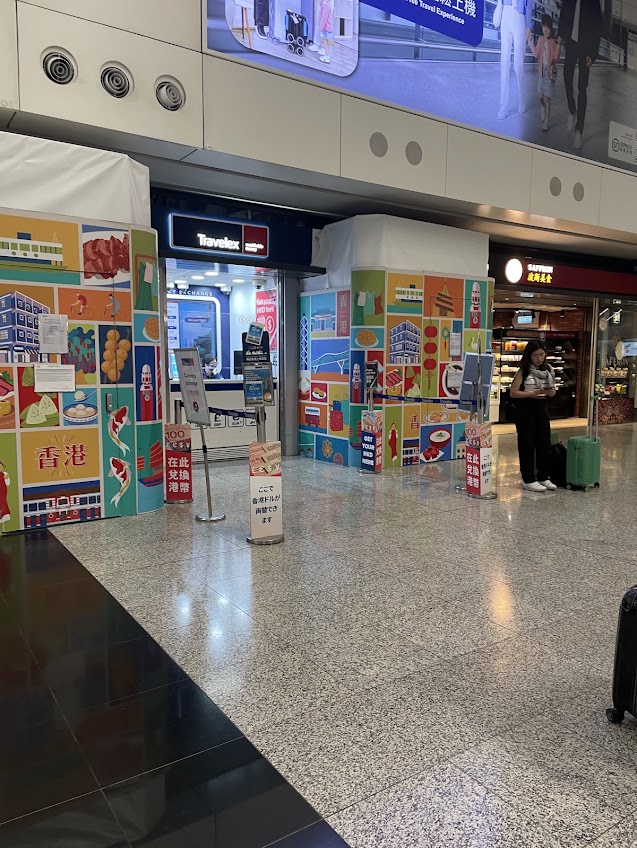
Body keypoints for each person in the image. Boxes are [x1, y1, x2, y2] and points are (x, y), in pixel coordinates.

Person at [509, 340, 557, 492]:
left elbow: (552, 393)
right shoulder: (523, 371)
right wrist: (531, 394)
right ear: (529, 355)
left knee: (544, 443)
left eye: (542, 354)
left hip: (541, 408)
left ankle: (543, 476)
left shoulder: (548, 370)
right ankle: (528, 478)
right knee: (527, 444)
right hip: (525, 410)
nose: (539, 358)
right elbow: (513, 392)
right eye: (535, 355)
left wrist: (550, 391)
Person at [557, 0, 603, 151]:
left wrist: (593, 53)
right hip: (571, 42)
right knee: (566, 77)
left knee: (582, 88)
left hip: (586, 46)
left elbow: (597, 24)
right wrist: (560, 34)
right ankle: (572, 110)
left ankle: (579, 131)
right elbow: (564, 11)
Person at [494, 0, 534, 120]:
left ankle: (522, 99)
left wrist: (529, 26)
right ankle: (503, 104)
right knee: (504, 61)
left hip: (520, 16)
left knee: (518, 64)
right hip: (506, 13)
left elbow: (529, 4)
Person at [527, 14, 561, 131]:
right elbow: (536, 54)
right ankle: (542, 107)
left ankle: (546, 121)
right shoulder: (541, 39)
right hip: (542, 73)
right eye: (543, 27)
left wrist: (558, 45)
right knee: (540, 96)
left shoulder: (553, 42)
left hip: (550, 74)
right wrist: (530, 42)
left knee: (547, 98)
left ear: (551, 28)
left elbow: (556, 58)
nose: (545, 30)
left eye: (548, 27)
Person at [319, 0, 334, 65]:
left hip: (326, 27)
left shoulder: (325, 4)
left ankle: (327, 57)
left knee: (325, 42)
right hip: (328, 26)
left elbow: (324, 18)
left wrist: (321, 28)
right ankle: (327, 56)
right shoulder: (327, 3)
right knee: (327, 42)